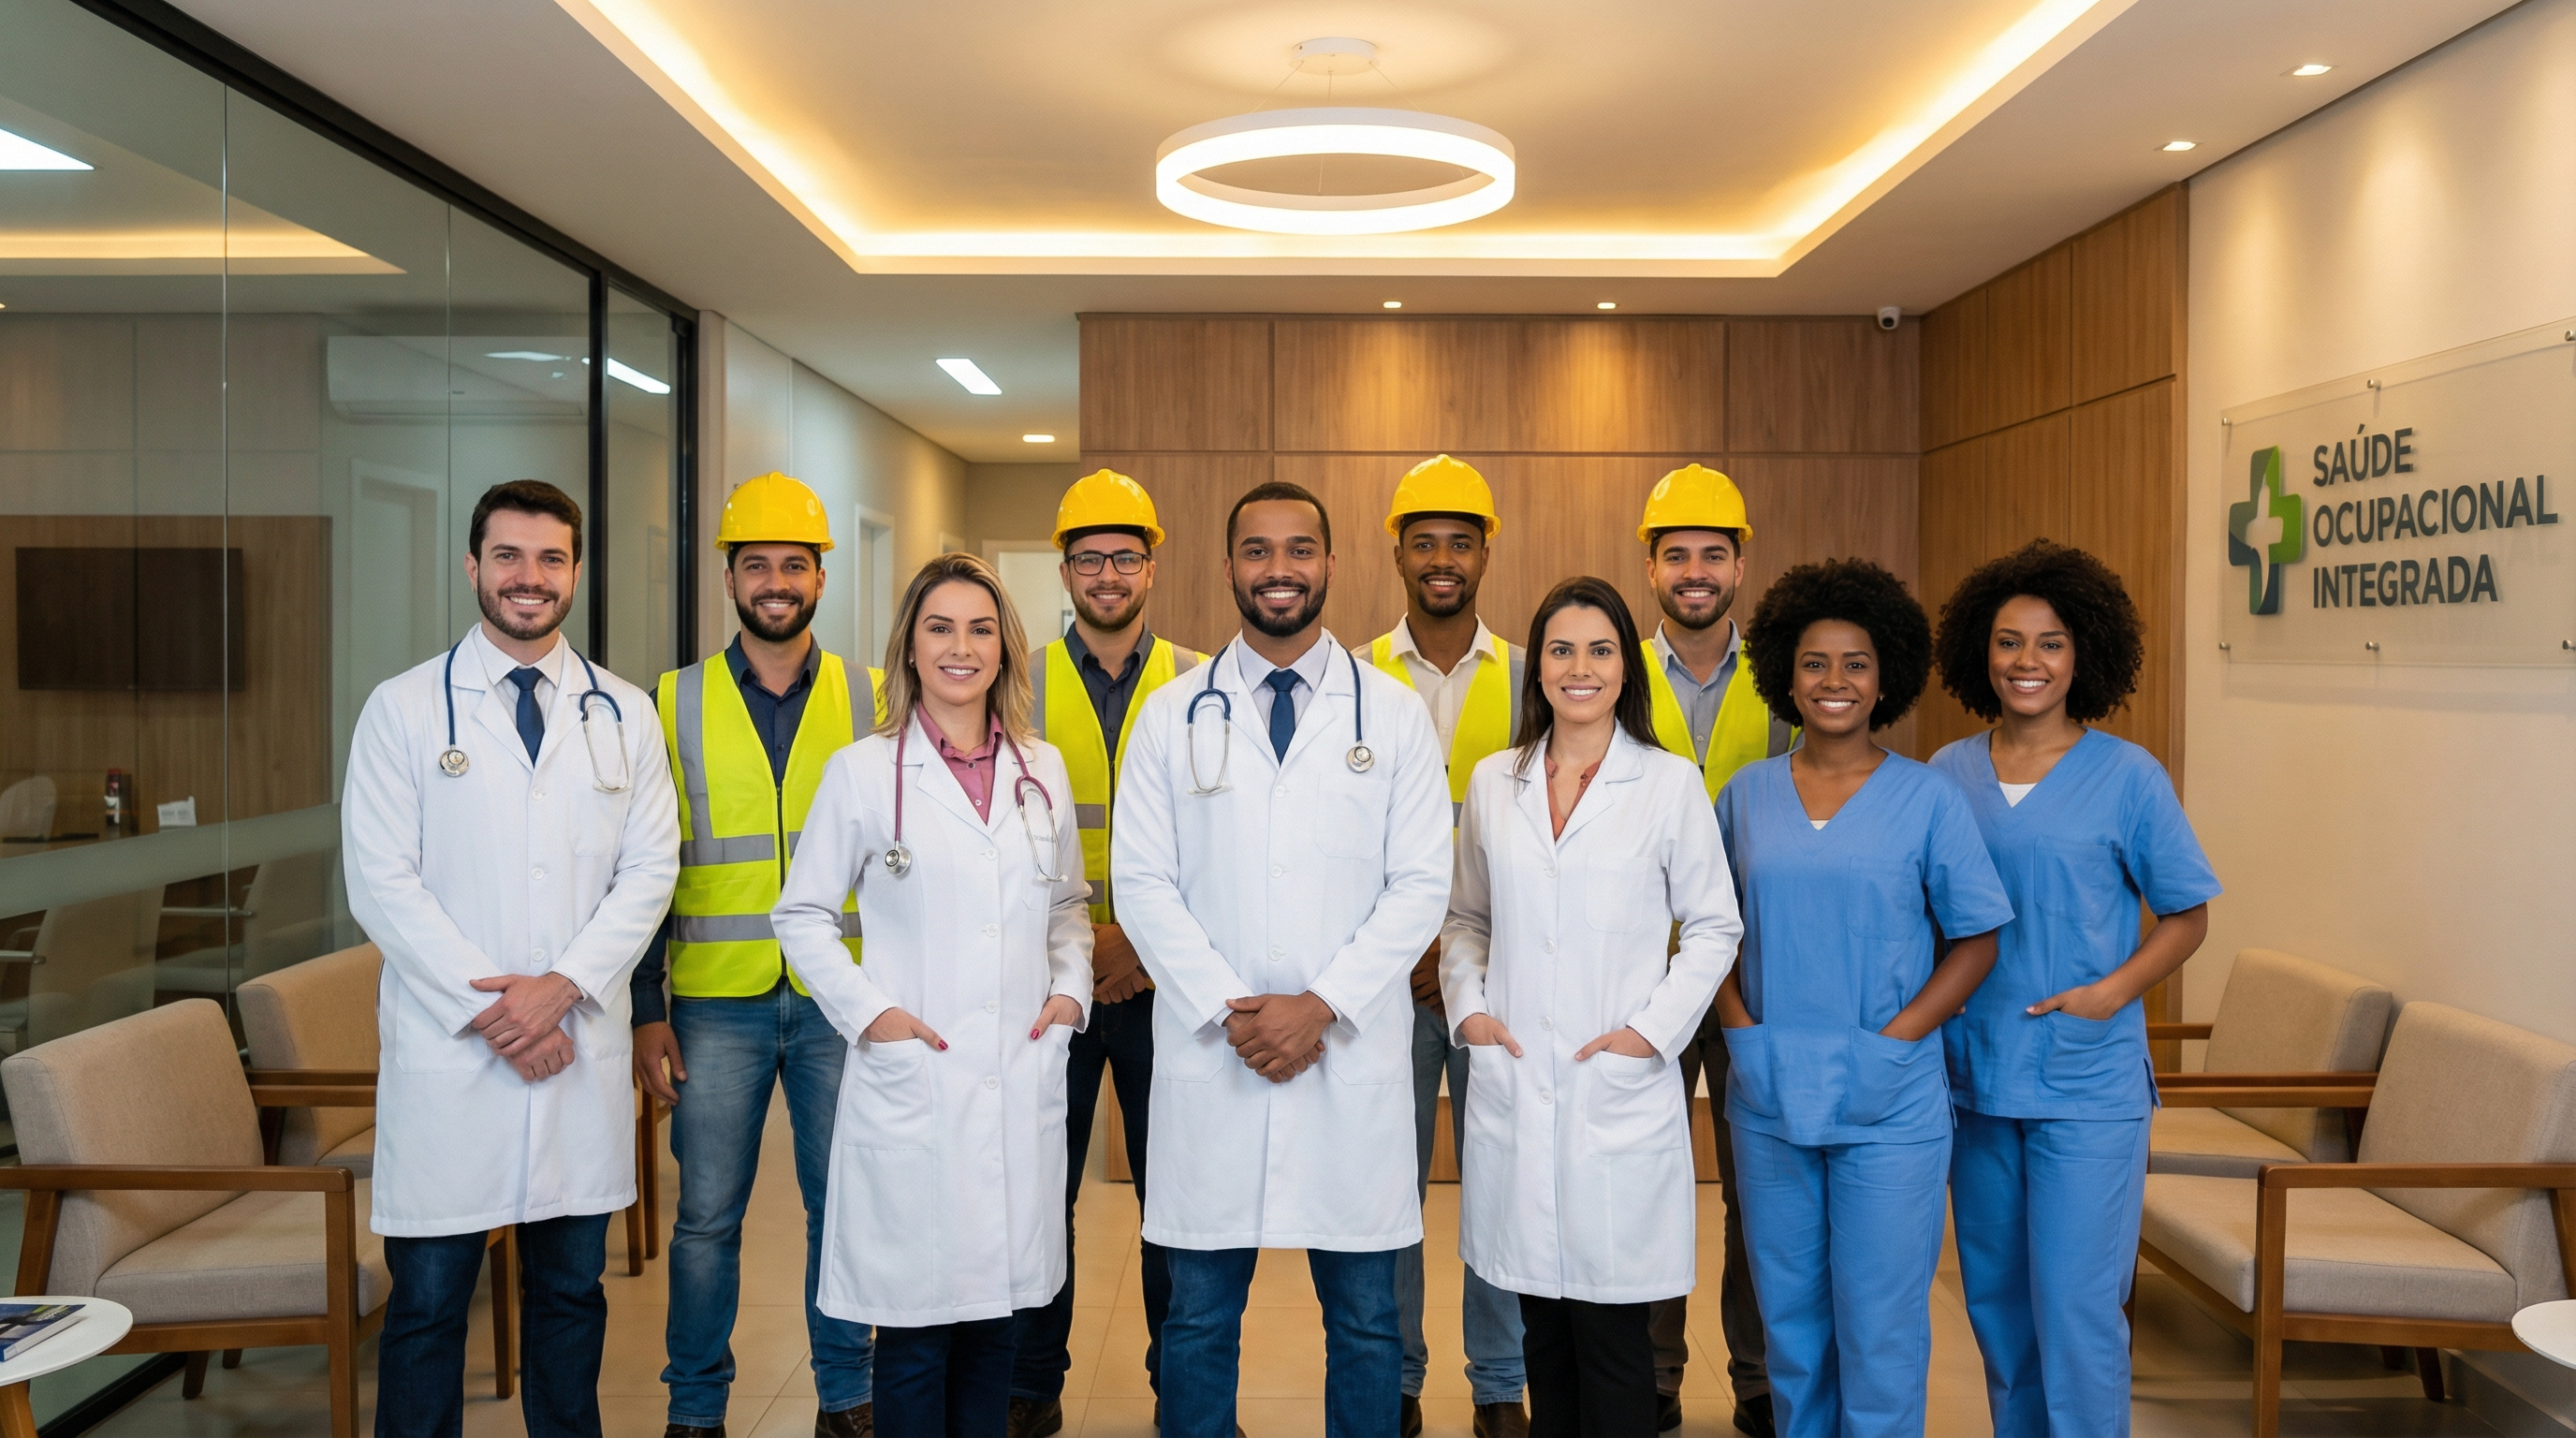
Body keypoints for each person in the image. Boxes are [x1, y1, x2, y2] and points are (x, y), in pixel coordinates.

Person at [1110, 480, 1452, 1437]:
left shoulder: (1389, 717)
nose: (1278, 570)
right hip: (1218, 1055)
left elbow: (1420, 884)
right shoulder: (1172, 716)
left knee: (1366, 1321)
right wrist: (1234, 1008)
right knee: (1199, 1318)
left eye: (1298, 549)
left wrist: (1321, 1006)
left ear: (1331, 565)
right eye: (1256, 551)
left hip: (1346, 1054)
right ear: (1227, 568)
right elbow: (1141, 884)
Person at [344, 479, 680, 1438]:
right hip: (456, 1063)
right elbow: (380, 883)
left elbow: (650, 873)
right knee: (428, 1309)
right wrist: (501, 1013)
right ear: (473, 565)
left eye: (550, 559)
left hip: (572, 1049)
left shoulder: (623, 713)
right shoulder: (403, 711)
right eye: (508, 557)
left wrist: (559, 991)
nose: (528, 579)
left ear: (575, 571)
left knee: (571, 1299)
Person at [773, 551, 1093, 1436]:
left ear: (1005, 650)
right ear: (909, 649)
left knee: (995, 1324)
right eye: (940, 628)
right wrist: (872, 1014)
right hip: (916, 1077)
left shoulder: (1043, 769)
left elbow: (1068, 903)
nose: (962, 647)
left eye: (981, 629)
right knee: (914, 1336)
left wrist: (1070, 992)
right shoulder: (865, 772)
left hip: (1018, 1068)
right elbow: (801, 914)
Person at [1710, 557, 2013, 1438]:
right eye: (1814, 663)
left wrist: (1900, 1037)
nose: (1834, 682)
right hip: (1769, 1093)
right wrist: (1740, 1028)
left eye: (1855, 664)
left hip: (1890, 1100)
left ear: (1887, 678)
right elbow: (1705, 930)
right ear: (1784, 675)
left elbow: (1979, 937)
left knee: (1879, 1326)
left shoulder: (1927, 798)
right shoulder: (1745, 797)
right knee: (1792, 1328)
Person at [1928, 541, 2219, 1437]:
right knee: (2001, 1313)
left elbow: (2186, 916)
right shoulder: (1945, 774)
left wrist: (2110, 993)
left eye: (2050, 643)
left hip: (2087, 1086)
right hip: (1977, 1080)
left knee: (2079, 1310)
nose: (2028, 662)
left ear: (2082, 653)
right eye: (2010, 642)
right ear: (1982, 651)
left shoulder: (2128, 777)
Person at [1442, 577, 1742, 1436]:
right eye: (1562, 650)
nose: (1581, 668)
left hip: (1616, 1082)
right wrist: (1471, 1012)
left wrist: (1647, 1036)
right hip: (1516, 1073)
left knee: (1613, 1337)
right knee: (1543, 1327)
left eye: (1601, 650)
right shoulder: (1496, 781)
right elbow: (1468, 918)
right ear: (1537, 668)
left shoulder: (1667, 782)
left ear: (1626, 667)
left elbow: (1716, 927)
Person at [635, 473, 886, 1438]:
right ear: (729, 578)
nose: (775, 581)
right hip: (712, 1001)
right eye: (756, 565)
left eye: (793, 564)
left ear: (821, 576)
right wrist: (645, 1008)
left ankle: (846, 1399)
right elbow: (646, 868)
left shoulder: (873, 696)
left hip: (840, 1001)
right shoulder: (672, 699)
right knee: (704, 1224)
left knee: (844, 1211)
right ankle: (696, 1411)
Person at [1009, 470, 1206, 1438]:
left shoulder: (1207, 680)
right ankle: (1031, 1388)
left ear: (1151, 566)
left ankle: (1185, 1391)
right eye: (1088, 557)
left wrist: (1136, 944)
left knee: (1177, 1204)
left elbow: (1229, 841)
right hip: (1051, 984)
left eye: (1125, 556)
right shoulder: (1018, 679)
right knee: (1040, 1197)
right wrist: (1082, 948)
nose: (1107, 573)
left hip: (1169, 987)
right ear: (1065, 569)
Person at [1366, 455, 1529, 1438]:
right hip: (1385, 978)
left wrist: (1459, 950)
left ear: (1484, 552)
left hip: (1498, 974)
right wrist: (1409, 947)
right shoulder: (1350, 675)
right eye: (1423, 540)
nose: (1440, 558)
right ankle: (1395, 1380)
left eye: (1459, 541)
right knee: (1386, 1192)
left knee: (1495, 1182)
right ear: (1396, 553)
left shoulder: (1528, 674)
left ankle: (1498, 1383)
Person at [1633, 463, 1790, 1437]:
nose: (1695, 571)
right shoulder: (1611, 668)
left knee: (1755, 1189)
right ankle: (1649, 1376)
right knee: (1648, 1182)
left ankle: (1760, 1382)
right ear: (1649, 565)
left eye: (1713, 553)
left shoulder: (1787, 675)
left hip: (1763, 976)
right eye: (1677, 553)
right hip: (1637, 974)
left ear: (1740, 563)